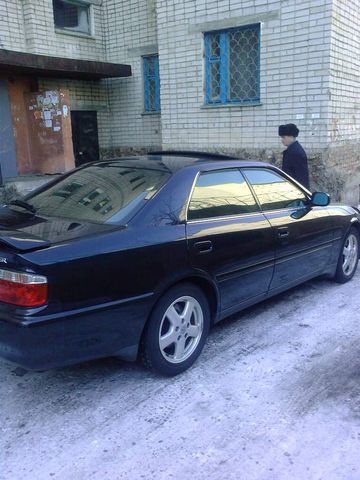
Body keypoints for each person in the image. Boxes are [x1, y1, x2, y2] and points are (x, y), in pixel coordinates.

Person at [278, 123, 310, 190]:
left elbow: (302, 177)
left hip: (295, 191)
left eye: (284, 137)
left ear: (291, 137)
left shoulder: (296, 152)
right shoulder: (292, 150)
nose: (282, 140)